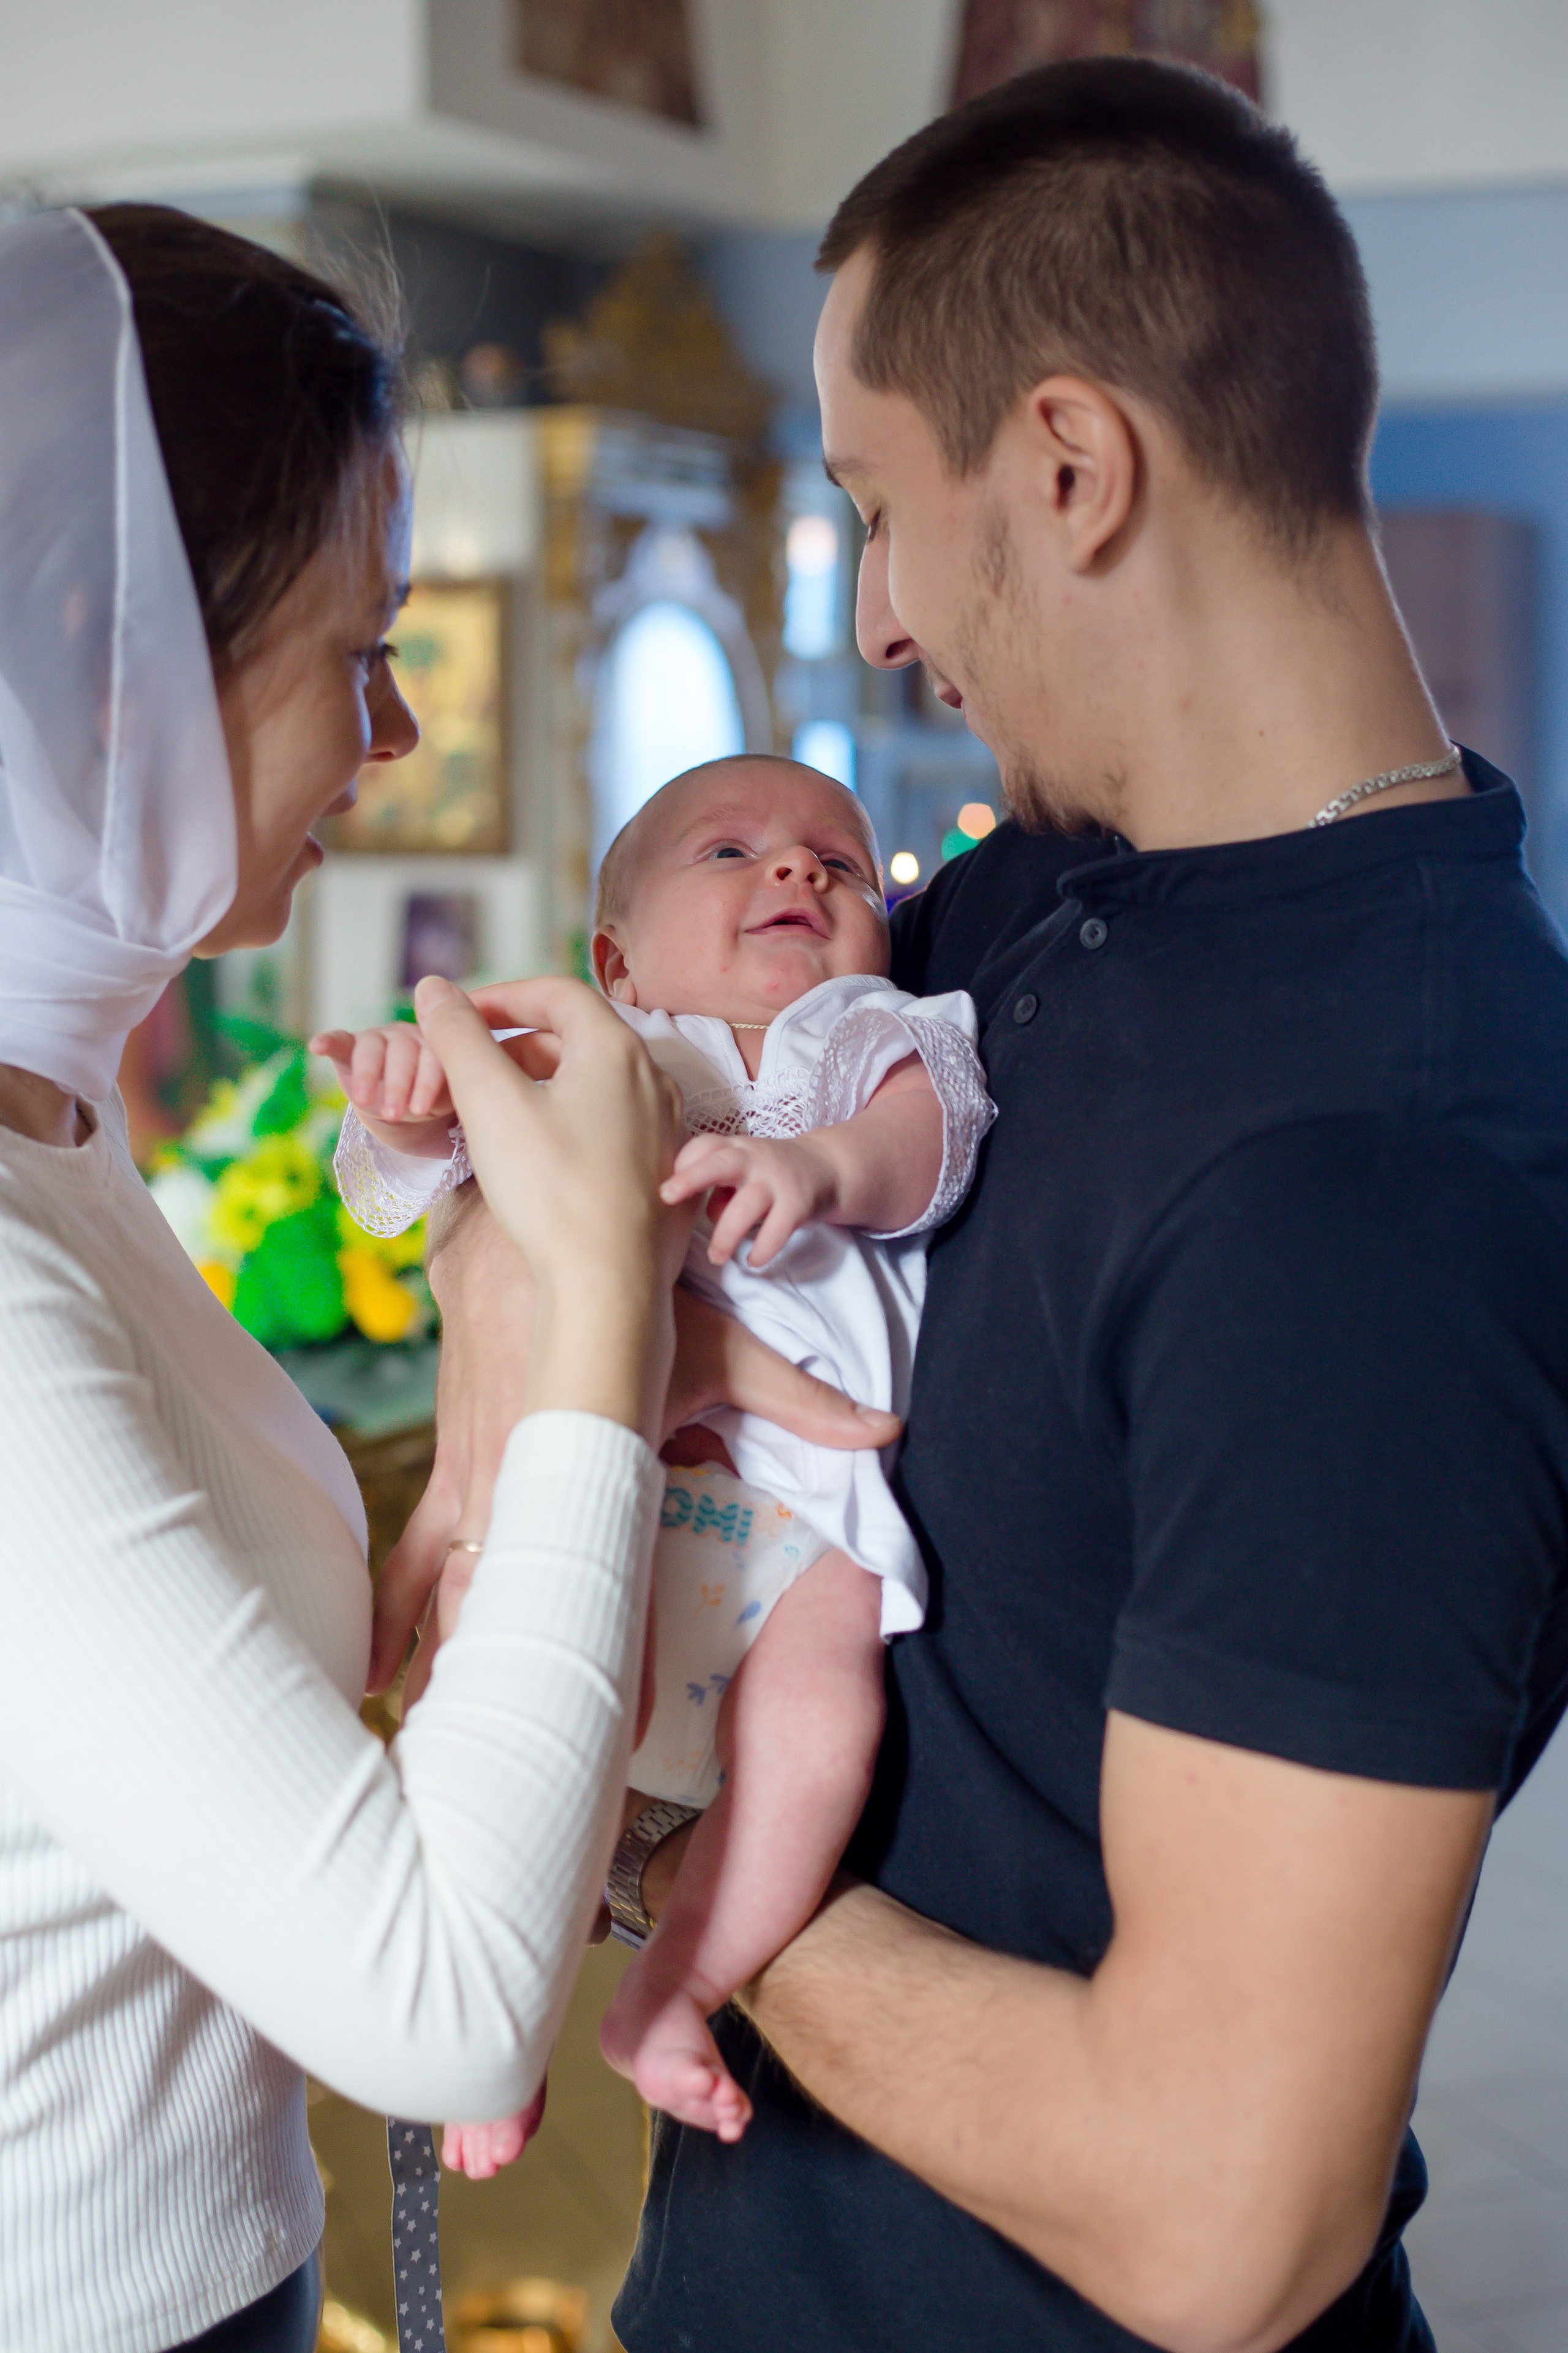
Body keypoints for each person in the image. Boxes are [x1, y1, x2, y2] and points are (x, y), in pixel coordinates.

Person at [399, 57, 1568, 2353]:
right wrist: (573, 1339)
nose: (886, 616)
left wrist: (668, 1843)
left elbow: (1222, 2220)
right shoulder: (1041, 897)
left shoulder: (1382, 1174)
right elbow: (658, 1134)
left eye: (873, 505)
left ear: (1067, 464)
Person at [0, 204, 865, 2353]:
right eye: (354, 647)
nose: (394, 730)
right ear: (122, 667)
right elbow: (445, 2011)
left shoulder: (61, 1133)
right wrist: (587, 1305)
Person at [315, 752, 995, 2158]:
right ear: (614, 955)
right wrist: (394, 1112)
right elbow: (413, 1182)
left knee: (823, 1720)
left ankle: (674, 1990)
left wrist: (817, 1170)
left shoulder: (874, 1036)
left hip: (808, 1508)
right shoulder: (596, 1055)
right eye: (731, 853)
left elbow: (926, 1146)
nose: (798, 870)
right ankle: (500, 2016)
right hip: (610, 1469)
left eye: (838, 861)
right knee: (546, 1707)